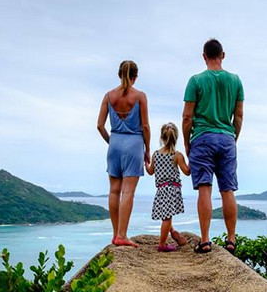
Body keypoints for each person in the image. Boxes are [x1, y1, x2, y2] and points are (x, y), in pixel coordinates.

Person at [182, 38, 244, 254]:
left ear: (204, 56)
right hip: (226, 138)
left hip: (202, 138)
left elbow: (187, 116)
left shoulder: (195, 81)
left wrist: (187, 142)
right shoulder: (235, 81)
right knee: (227, 189)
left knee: (205, 189)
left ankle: (206, 240)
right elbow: (239, 115)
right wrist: (232, 138)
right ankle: (231, 239)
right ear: (223, 55)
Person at [97, 60, 151, 247]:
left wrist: (111, 142)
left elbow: (99, 126)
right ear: (135, 77)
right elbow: (145, 126)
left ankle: (115, 234)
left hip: (115, 144)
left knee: (114, 190)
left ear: (119, 74)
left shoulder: (108, 96)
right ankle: (122, 234)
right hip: (134, 144)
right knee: (128, 192)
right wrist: (147, 150)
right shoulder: (140, 96)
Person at [146, 123, 191, 252]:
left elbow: (150, 171)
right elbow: (187, 172)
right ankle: (162, 244)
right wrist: (192, 159)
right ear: (176, 137)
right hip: (172, 189)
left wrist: (146, 162)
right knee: (167, 217)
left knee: (165, 214)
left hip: (161, 189)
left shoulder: (156, 154)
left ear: (162, 137)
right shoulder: (177, 155)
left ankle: (173, 232)